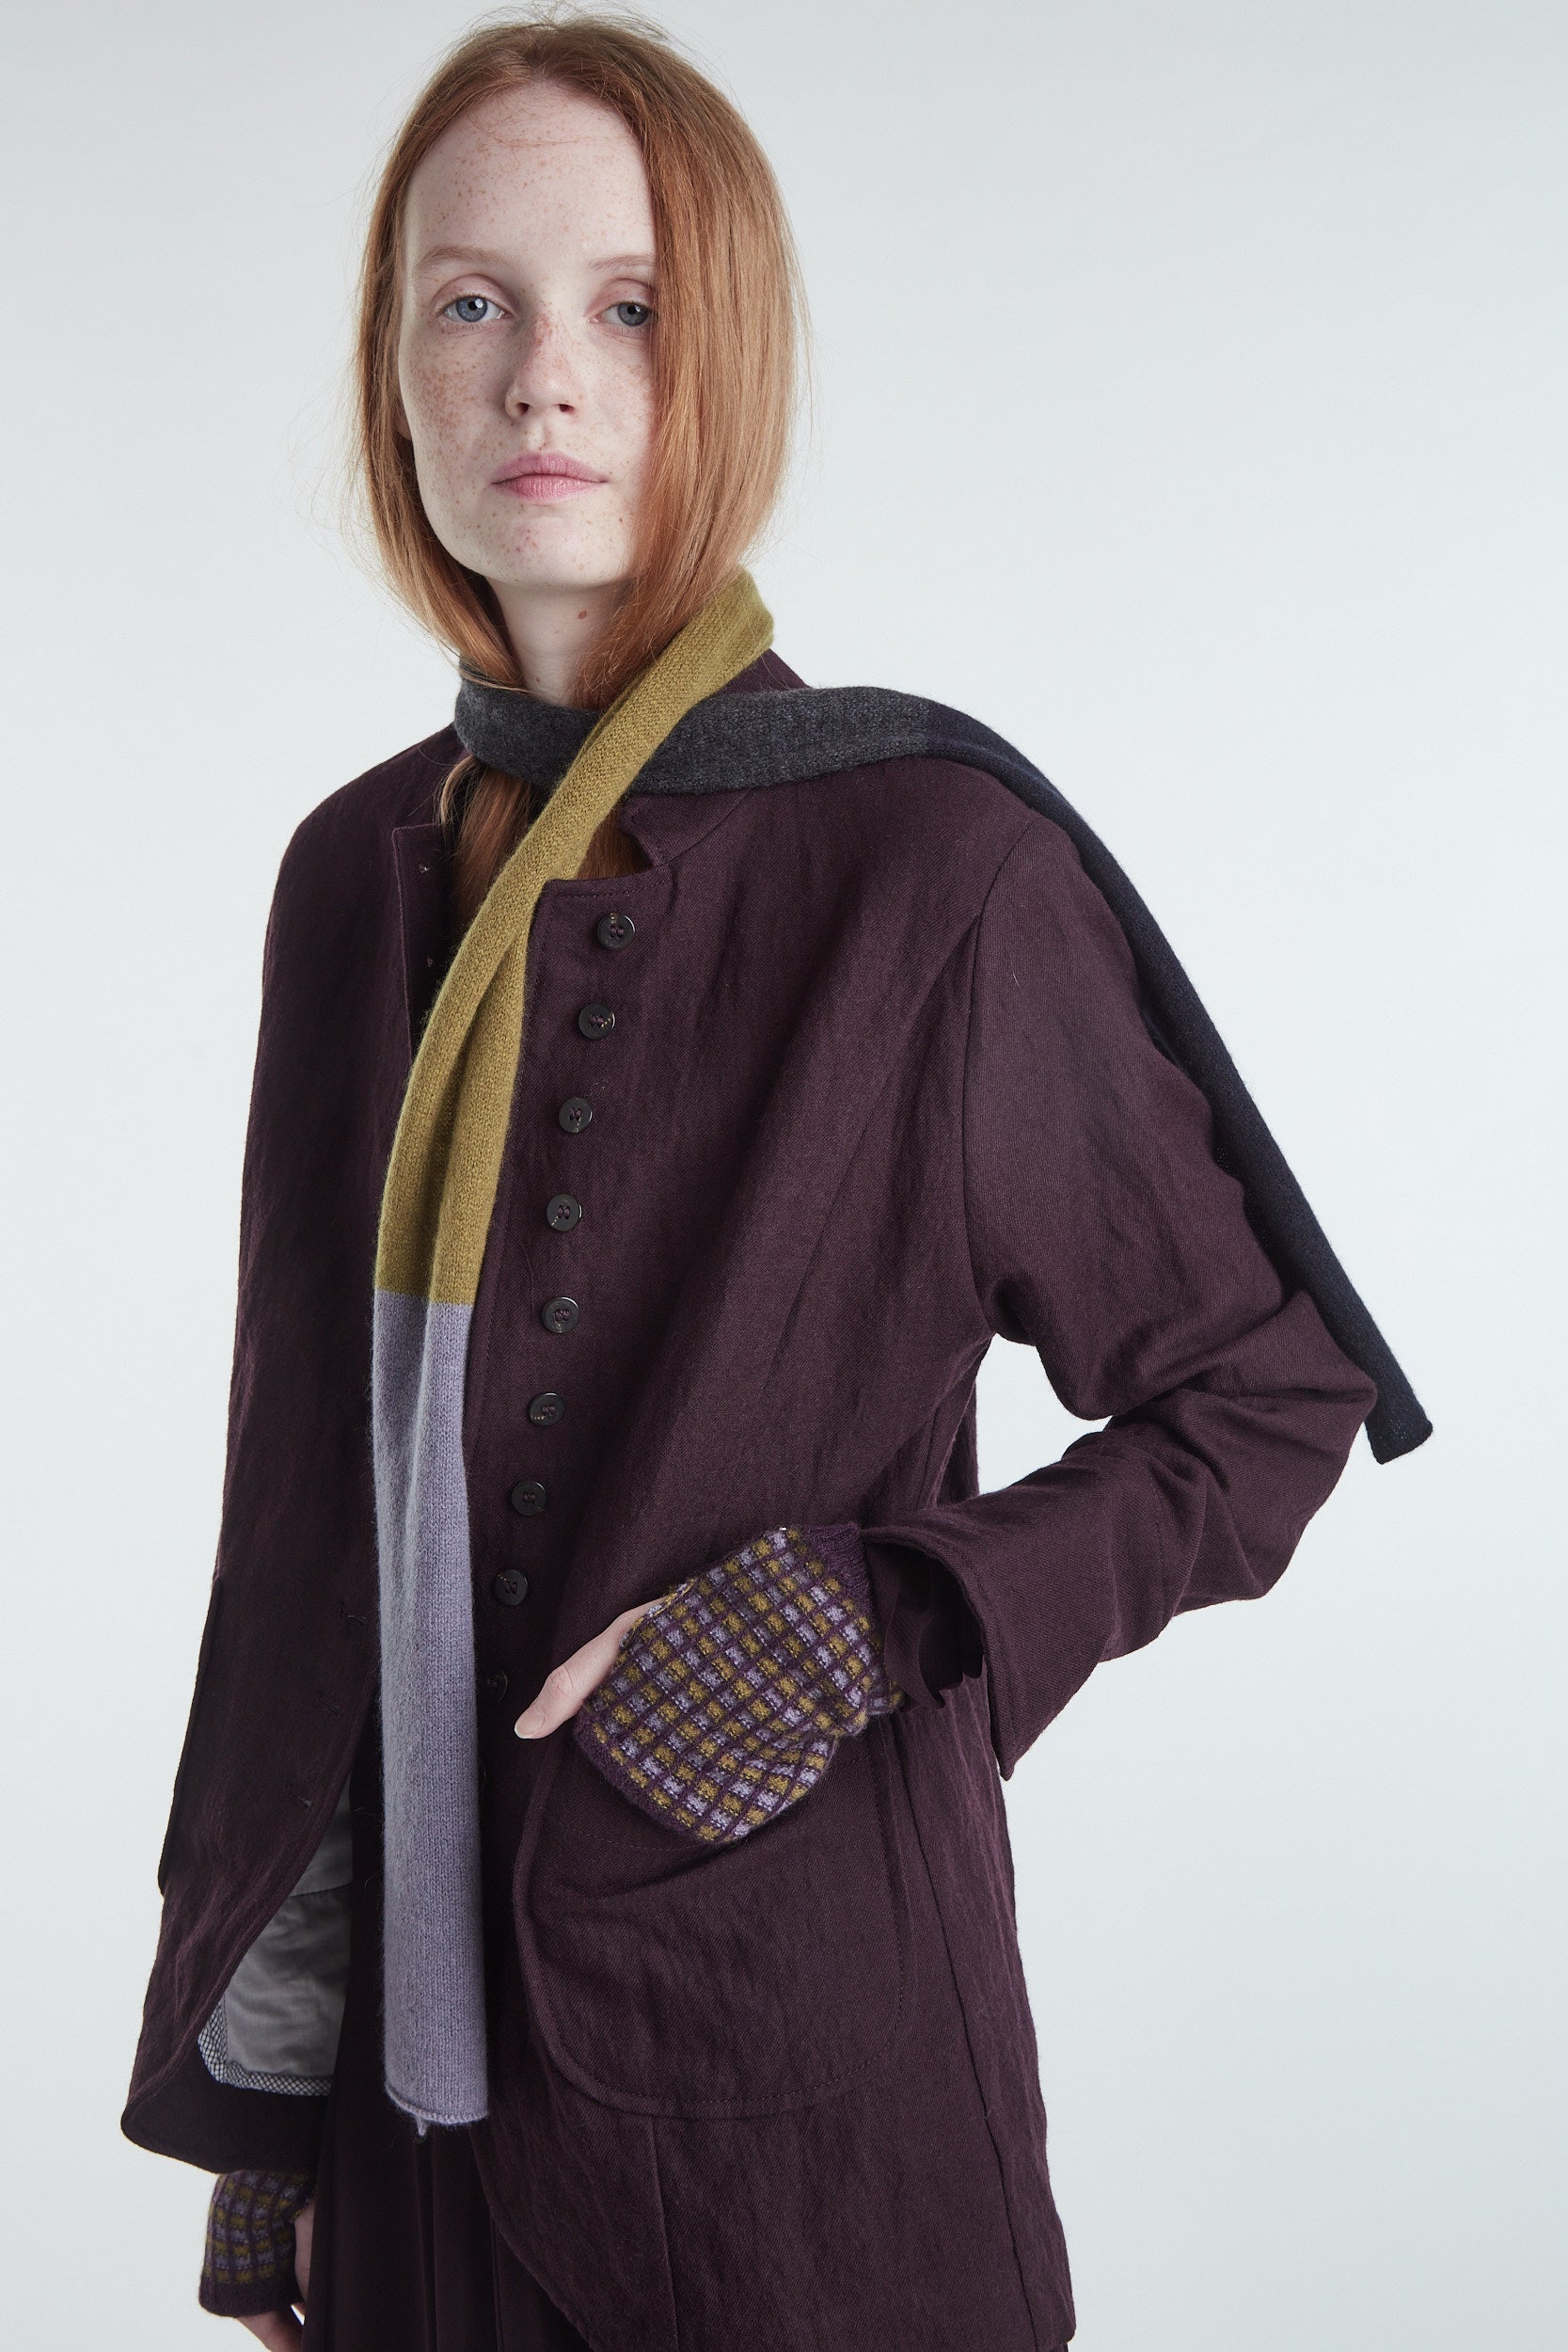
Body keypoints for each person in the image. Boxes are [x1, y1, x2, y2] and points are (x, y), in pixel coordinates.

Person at [121, 14, 1426, 2349]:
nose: (544, 375)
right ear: (393, 369)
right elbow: (309, 1533)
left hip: (800, 2135)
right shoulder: (351, 875)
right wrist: (264, 2112)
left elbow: (1266, 1397)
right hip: (407, 2149)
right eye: (471, 300)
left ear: (722, 356)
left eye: (629, 307)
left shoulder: (933, 864)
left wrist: (876, 1613)